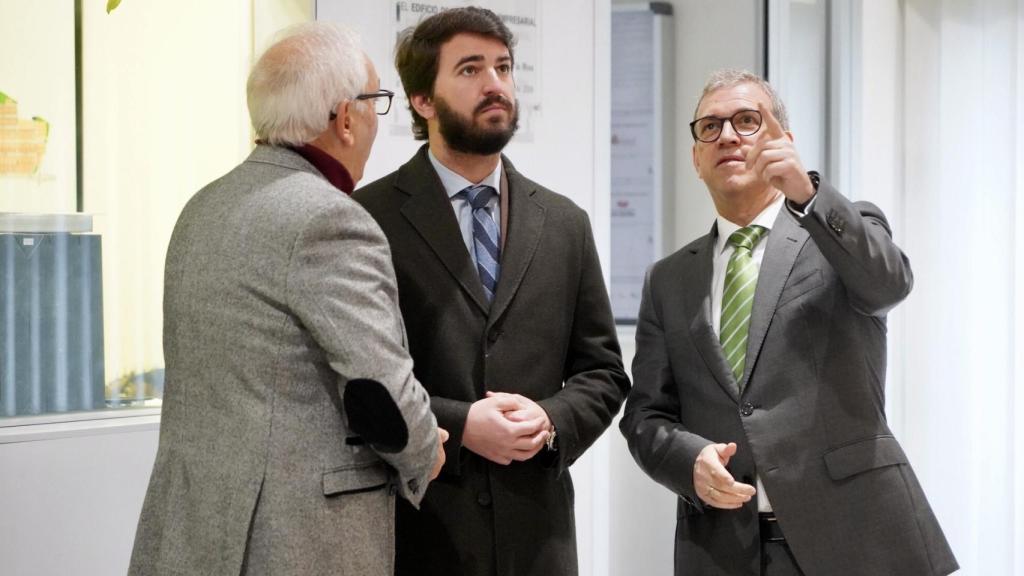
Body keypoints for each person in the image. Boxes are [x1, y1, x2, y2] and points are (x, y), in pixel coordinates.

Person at [127, 22, 446, 576]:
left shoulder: (203, 206)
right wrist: (426, 450)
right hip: (292, 537)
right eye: (376, 102)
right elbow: (383, 394)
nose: (376, 121)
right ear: (346, 117)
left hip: (194, 527)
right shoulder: (330, 219)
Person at [619, 69, 958, 576]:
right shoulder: (667, 279)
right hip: (722, 548)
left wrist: (808, 194)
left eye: (747, 121)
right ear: (696, 158)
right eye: (710, 127)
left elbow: (889, 284)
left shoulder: (841, 228)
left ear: (785, 142)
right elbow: (645, 417)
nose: (728, 135)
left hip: (857, 538)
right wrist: (687, 461)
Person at [353, 7, 630, 576]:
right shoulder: (366, 219)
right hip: (421, 534)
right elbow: (356, 385)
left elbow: (603, 372)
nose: (496, 85)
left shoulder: (564, 221)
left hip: (540, 538)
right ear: (422, 100)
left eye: (503, 67)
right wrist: (459, 424)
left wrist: (551, 420)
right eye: (471, 69)